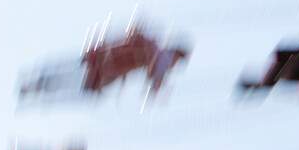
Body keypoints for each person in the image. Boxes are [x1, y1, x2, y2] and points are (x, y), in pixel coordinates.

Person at [19, 25, 191, 103]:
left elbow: (134, 29)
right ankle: (36, 87)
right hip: (108, 70)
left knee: (68, 72)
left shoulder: (153, 42)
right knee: (70, 82)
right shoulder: (162, 57)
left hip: (103, 56)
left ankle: (36, 81)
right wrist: (158, 87)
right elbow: (155, 79)